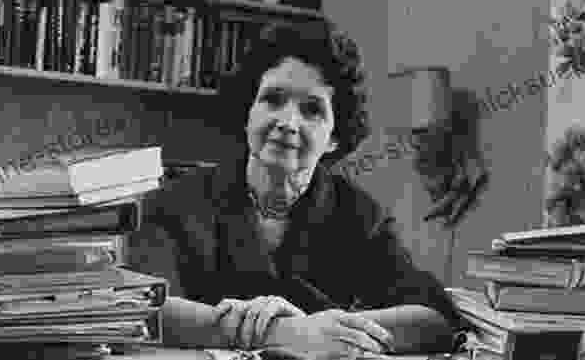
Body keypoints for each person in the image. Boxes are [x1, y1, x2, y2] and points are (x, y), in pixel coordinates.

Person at [132, 19, 464, 358]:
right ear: (248, 113)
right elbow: (140, 308)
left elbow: (433, 319)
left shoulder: (358, 214)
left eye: (312, 110)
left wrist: (326, 330)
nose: (288, 122)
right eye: (273, 99)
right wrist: (285, 332)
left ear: (335, 137)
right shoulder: (172, 203)